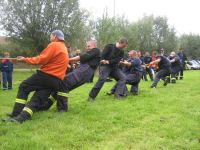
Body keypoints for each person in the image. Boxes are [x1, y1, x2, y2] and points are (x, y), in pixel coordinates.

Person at [3, 40, 101, 123]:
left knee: (63, 83)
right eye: (86, 46)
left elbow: (81, 58)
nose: (87, 47)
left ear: (94, 46)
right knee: (58, 86)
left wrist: (65, 60)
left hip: (85, 71)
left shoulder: (96, 51)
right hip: (83, 72)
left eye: (89, 46)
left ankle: (61, 109)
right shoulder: (91, 52)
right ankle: (45, 106)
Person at [3, 30, 69, 123]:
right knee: (36, 99)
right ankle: (21, 118)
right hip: (55, 82)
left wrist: (25, 60)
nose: (50, 38)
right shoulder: (64, 48)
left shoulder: (54, 45)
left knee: (24, 86)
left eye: (50, 36)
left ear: (54, 36)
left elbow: (41, 59)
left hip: (46, 76)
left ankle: (16, 113)